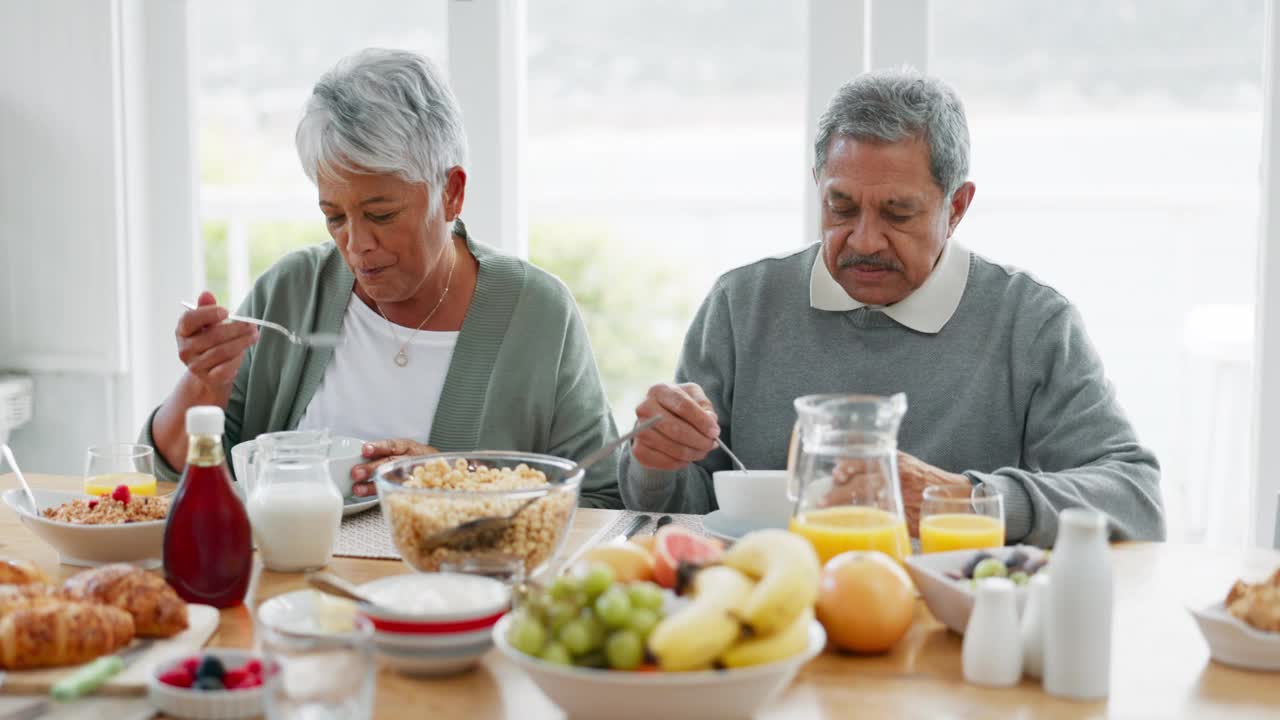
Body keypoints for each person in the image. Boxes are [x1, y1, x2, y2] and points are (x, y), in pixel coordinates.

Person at [620, 67, 1164, 545]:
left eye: (898, 214)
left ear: (957, 207)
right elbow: (679, 510)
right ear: (817, 188)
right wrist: (652, 460)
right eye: (841, 206)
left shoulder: (1031, 322)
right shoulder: (742, 304)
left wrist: (965, 498)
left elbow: (1136, 499)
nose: (864, 241)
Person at [141, 48, 622, 508]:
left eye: (382, 214)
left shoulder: (537, 313)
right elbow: (170, 480)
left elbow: (601, 501)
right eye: (335, 217)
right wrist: (203, 381)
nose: (356, 244)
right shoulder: (291, 291)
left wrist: (461, 480)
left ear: (451, 193)